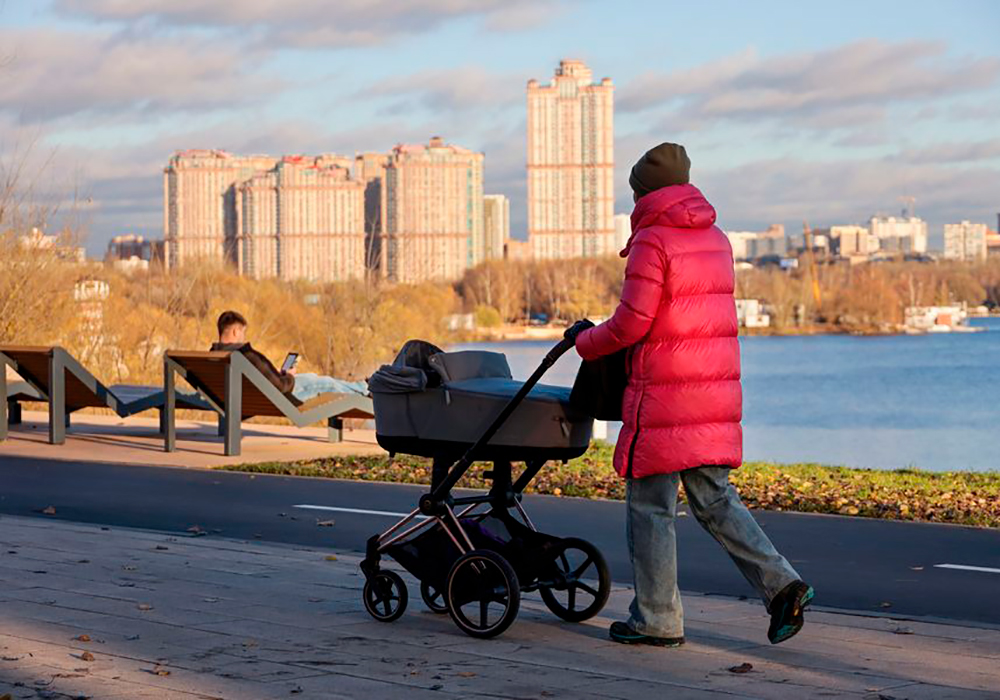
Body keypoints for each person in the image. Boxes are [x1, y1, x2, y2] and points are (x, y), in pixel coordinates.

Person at [564, 143, 813, 648]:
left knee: (651, 505)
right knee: (715, 498)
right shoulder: (716, 238)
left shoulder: (652, 240)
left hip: (665, 394)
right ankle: (781, 582)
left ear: (643, 192)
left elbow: (633, 323)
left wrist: (584, 343)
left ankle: (657, 619)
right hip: (713, 391)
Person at [211, 311, 367, 402]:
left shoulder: (213, 355)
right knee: (326, 382)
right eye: (243, 332)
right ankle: (365, 389)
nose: (243, 337)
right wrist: (289, 377)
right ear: (235, 332)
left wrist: (276, 373)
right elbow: (280, 386)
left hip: (244, 398)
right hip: (275, 397)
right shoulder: (245, 354)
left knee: (312, 377)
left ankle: (362, 387)